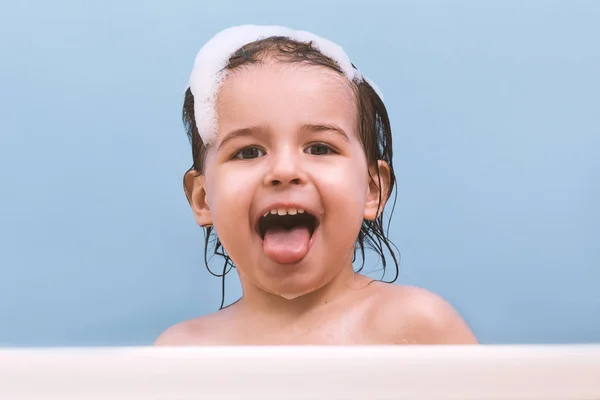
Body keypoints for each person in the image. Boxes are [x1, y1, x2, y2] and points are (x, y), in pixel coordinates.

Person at [155, 25, 478, 345]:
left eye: (319, 148)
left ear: (372, 190)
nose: (284, 170)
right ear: (203, 198)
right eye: (249, 152)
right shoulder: (185, 350)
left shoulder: (416, 327)